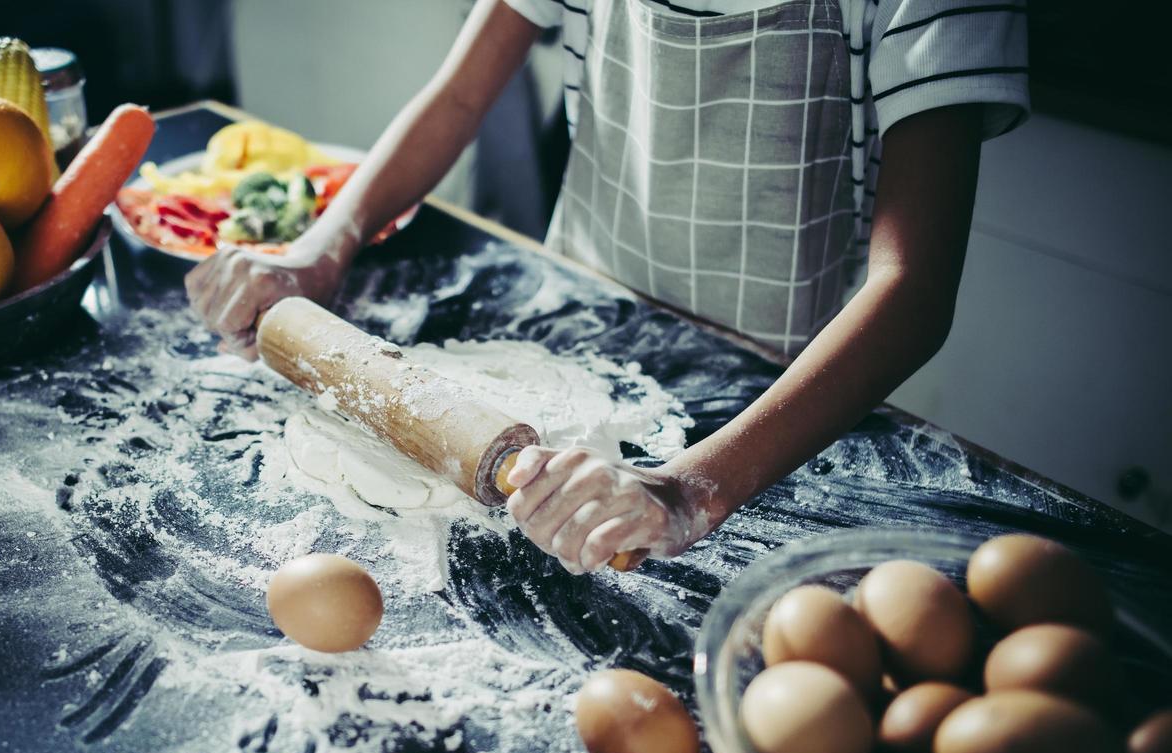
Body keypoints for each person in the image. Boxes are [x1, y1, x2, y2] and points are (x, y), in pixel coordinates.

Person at [186, 0, 1029, 574]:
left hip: (769, 397)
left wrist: (687, 488)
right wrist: (324, 246)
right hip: (567, 324)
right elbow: (456, 98)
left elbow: (911, 287)